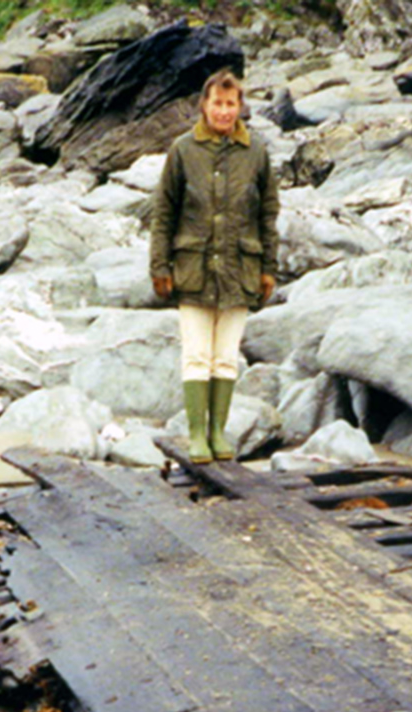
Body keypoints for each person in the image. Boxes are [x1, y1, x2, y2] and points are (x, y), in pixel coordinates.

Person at [149, 68, 280, 463]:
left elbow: (268, 214)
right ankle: (195, 436)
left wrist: (268, 268)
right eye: (217, 103)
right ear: (204, 106)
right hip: (193, 268)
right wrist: (160, 266)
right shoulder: (183, 150)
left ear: (240, 107)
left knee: (225, 356)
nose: (224, 111)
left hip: (240, 269)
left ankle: (218, 433)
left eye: (230, 103)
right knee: (196, 356)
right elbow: (163, 212)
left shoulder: (256, 152)